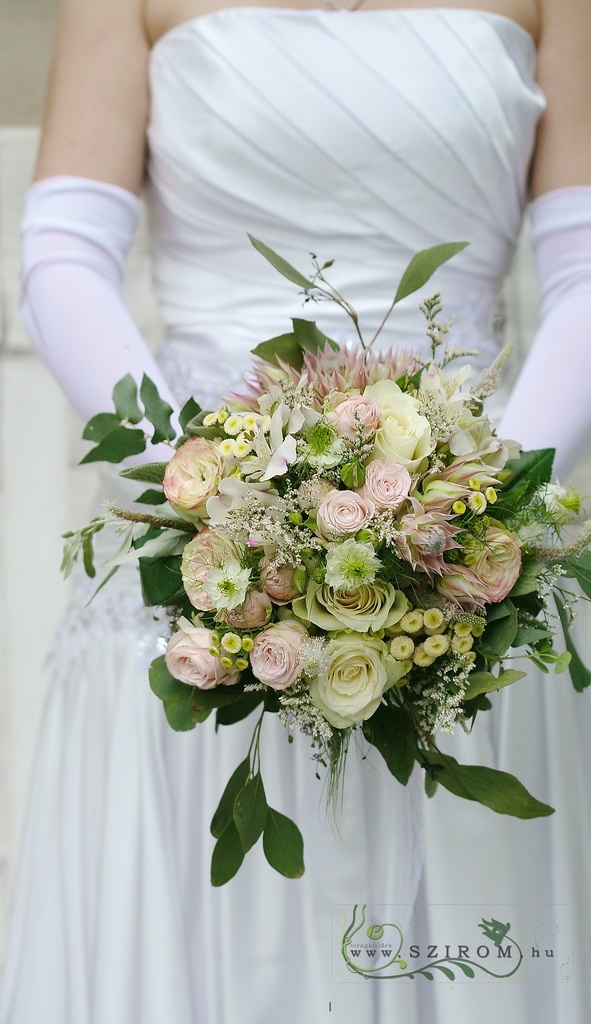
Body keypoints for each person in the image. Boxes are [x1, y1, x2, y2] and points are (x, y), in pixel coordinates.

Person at [0, 0, 590, 1021]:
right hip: (193, 553)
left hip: (468, 560)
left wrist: (483, 510)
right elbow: (63, 252)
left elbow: (587, 268)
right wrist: (209, 496)